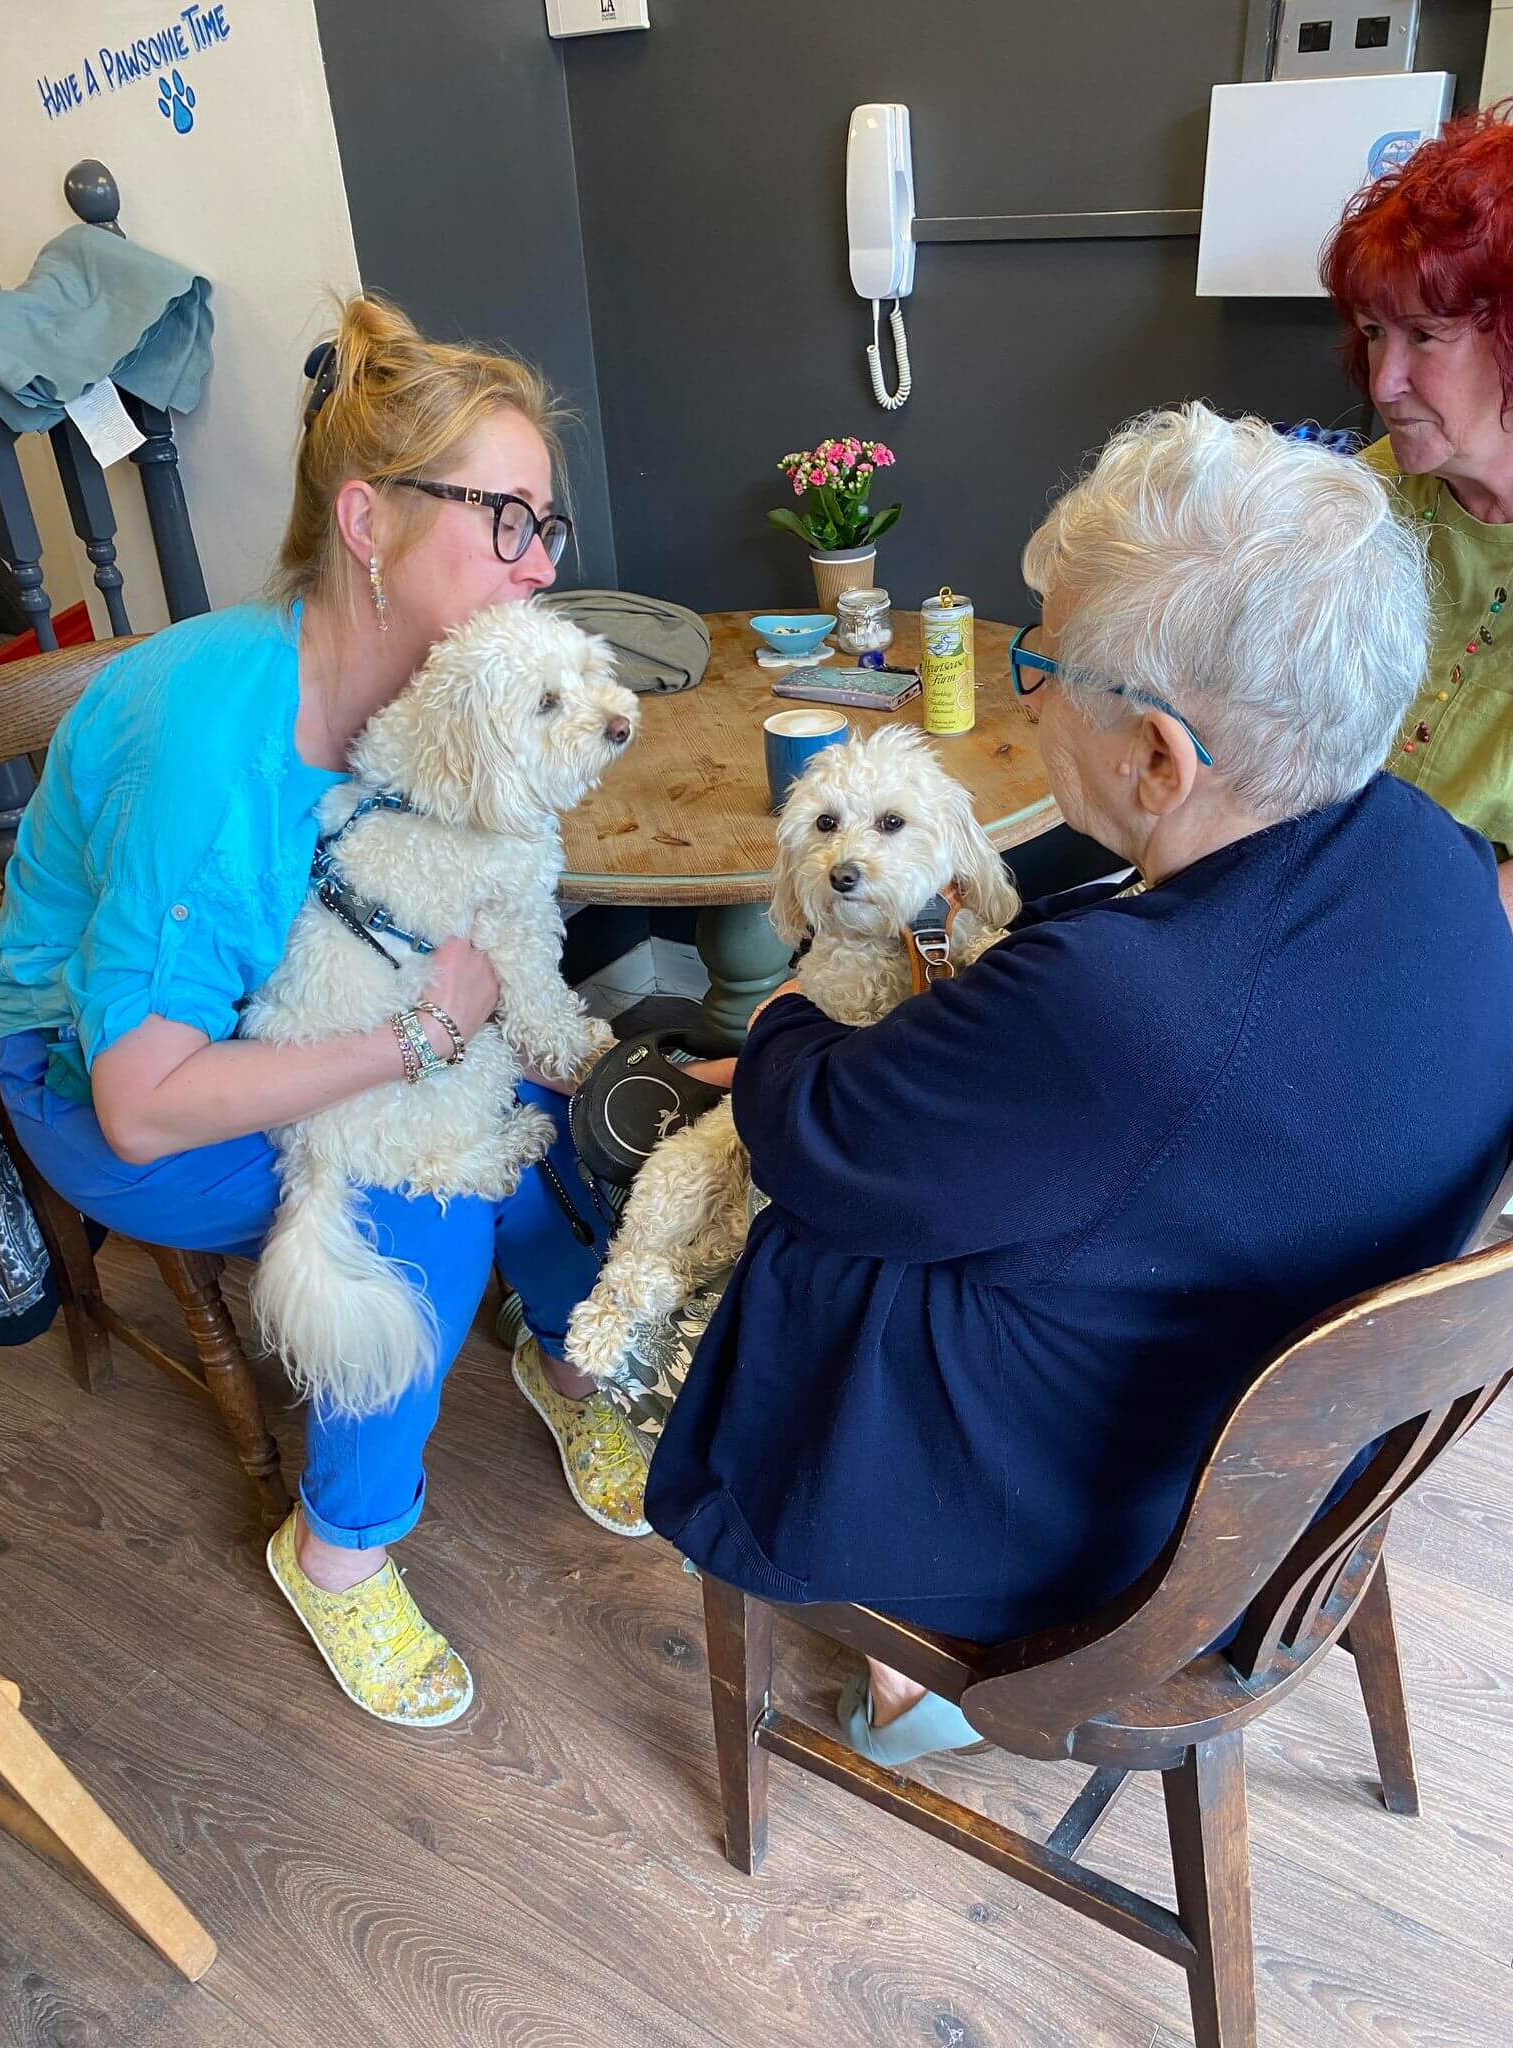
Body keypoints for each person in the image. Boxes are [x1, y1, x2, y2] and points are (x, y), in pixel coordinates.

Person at [645, 404, 1513, 1764]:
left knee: (756, 1184)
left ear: (1161, 757)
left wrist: (791, 1010)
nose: (1032, 696)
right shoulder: (1438, 858)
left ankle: (908, 1665)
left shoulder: (1122, 1006)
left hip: (1113, 1535)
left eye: (1041, 667)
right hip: (1293, 1468)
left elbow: (815, 1134)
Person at [0, 296, 657, 1730]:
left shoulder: (425, 701)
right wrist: (418, 1043)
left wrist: (471, 1026)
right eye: (507, 519)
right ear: (368, 523)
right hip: (97, 1082)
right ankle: (338, 1549)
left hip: (287, 1014)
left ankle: (561, 1353)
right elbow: (140, 1102)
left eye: (545, 524)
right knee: (428, 1200)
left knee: (557, 1088)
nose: (540, 561)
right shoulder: (221, 750)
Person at [1321, 104, 1513, 928]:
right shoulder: (1361, 505)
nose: (1383, 381)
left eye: (1425, 335)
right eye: (1373, 332)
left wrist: (1413, 944)